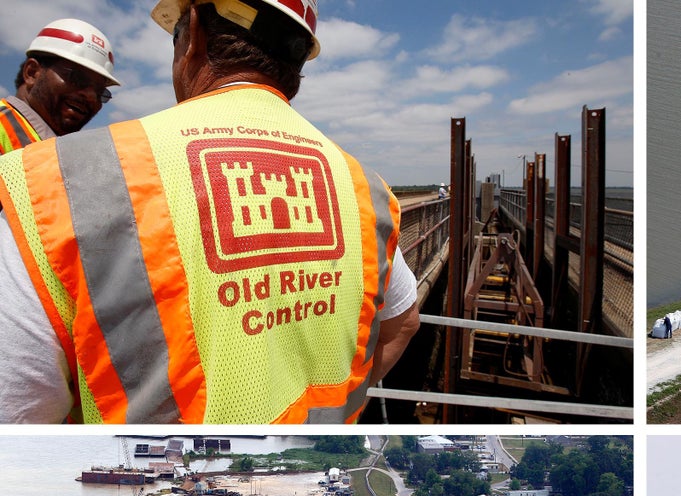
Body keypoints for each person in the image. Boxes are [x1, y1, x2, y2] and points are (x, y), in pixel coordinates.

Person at [0, 0, 419, 423]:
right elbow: (403, 322)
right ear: (297, 62)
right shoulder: (365, 187)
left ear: (194, 32)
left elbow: (14, 413)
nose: (90, 98)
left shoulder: (53, 183)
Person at [1, 19, 120, 153]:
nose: (91, 96)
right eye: (77, 78)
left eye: (100, 92)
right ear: (32, 72)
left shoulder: (53, 148)